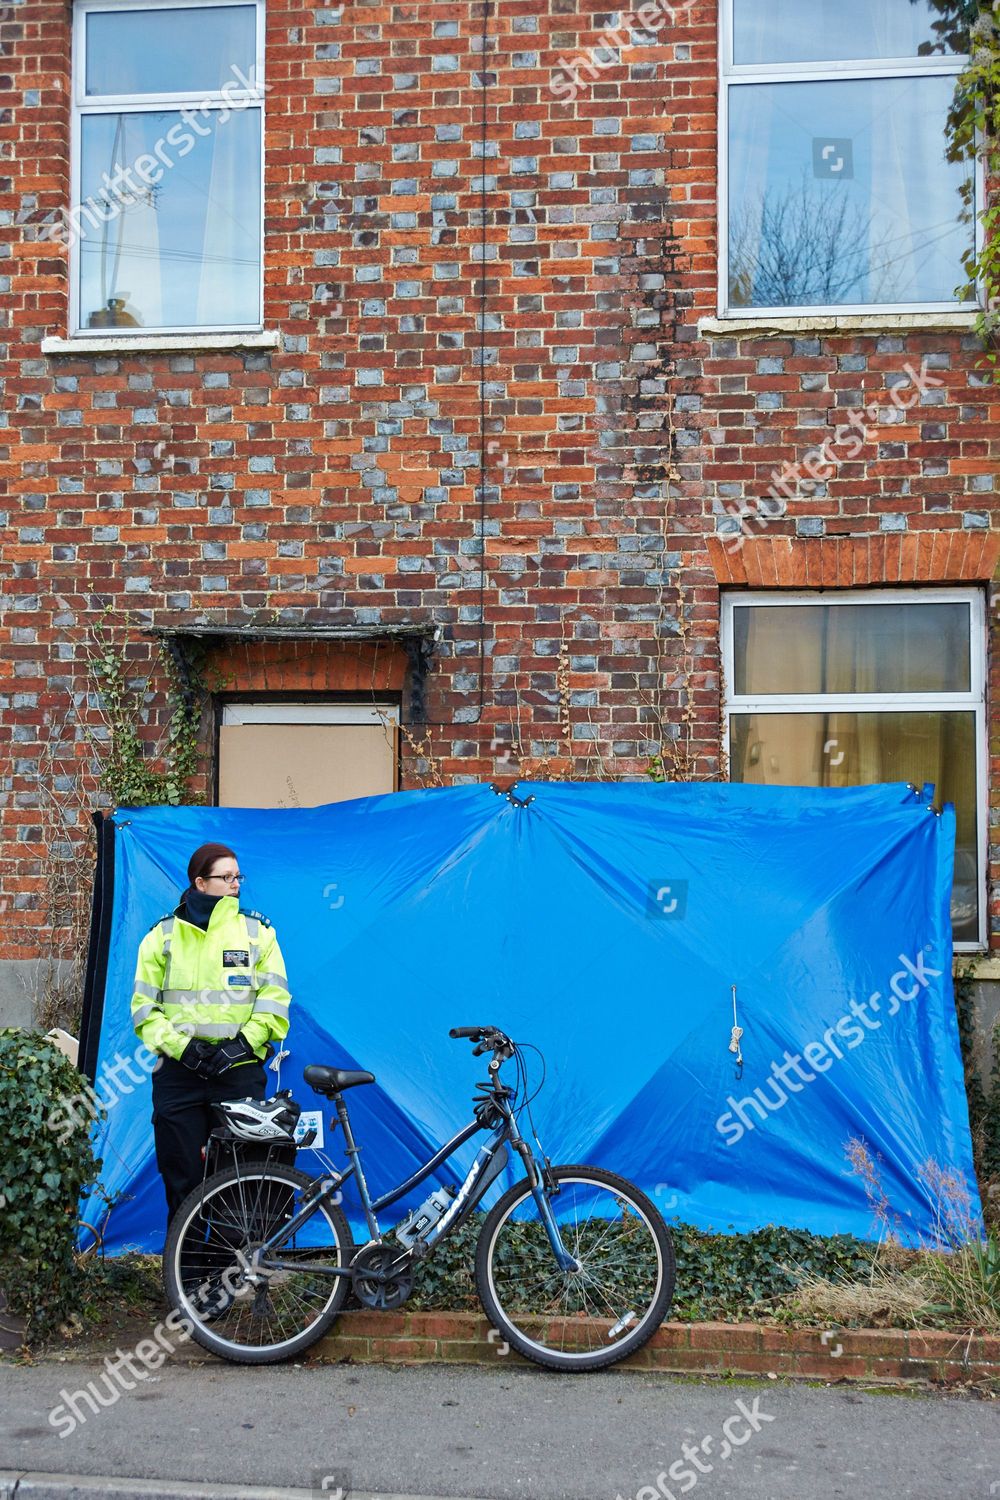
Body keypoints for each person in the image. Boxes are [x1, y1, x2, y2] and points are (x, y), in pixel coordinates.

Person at [130, 842, 291, 1222]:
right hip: (178, 1074)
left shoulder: (258, 934)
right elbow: (143, 1009)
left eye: (238, 876)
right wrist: (182, 1048)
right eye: (226, 877)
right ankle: (186, 1275)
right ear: (201, 883)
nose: (236, 883)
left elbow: (275, 998)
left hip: (237, 1072)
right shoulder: (162, 937)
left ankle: (230, 1276)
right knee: (181, 1176)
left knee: (238, 1178)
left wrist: (242, 1045)